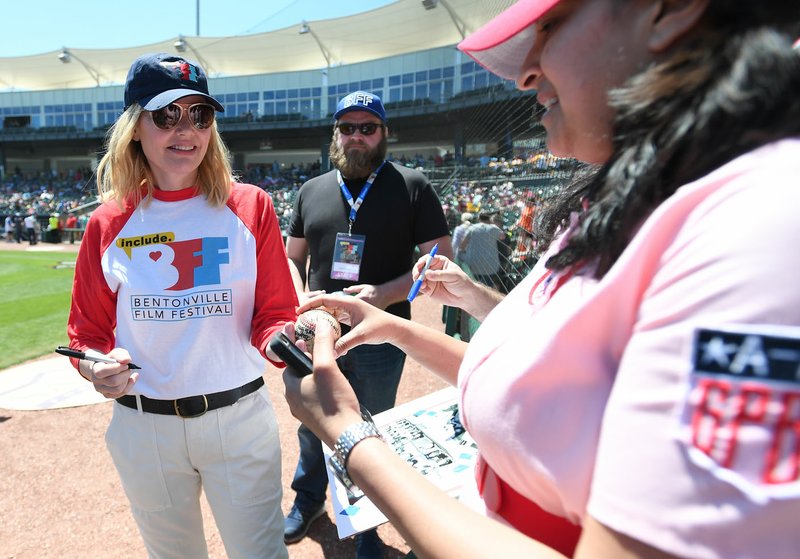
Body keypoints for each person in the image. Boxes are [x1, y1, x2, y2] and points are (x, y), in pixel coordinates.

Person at [283, 1, 800, 558]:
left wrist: (350, 434)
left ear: (669, 10)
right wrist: (397, 327)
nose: (526, 71)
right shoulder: (630, 194)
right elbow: (539, 380)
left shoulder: (761, 224)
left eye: (549, 28)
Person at [66, 53, 297, 559]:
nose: (185, 129)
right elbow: (87, 334)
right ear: (134, 129)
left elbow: (275, 314)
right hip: (143, 426)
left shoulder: (251, 206)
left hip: (237, 420)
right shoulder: (107, 223)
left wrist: (285, 342)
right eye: (166, 115)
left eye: (200, 115)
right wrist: (97, 368)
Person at [283, 90, 452, 558]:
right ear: (335, 134)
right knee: (311, 425)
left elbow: (439, 260)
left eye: (367, 127)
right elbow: (292, 257)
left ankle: (368, 528)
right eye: (347, 128)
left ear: (383, 133)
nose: (356, 136)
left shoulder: (412, 185)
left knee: (369, 431)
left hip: (380, 334)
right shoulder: (311, 189)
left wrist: (383, 295)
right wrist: (299, 297)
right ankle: (309, 500)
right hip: (317, 333)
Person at [460, 211, 505, 289]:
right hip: (490, 266)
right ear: (490, 219)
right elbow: (502, 236)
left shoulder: (472, 228)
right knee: (488, 287)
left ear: (478, 218)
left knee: (474, 286)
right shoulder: (493, 228)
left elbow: (462, 245)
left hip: (473, 264)